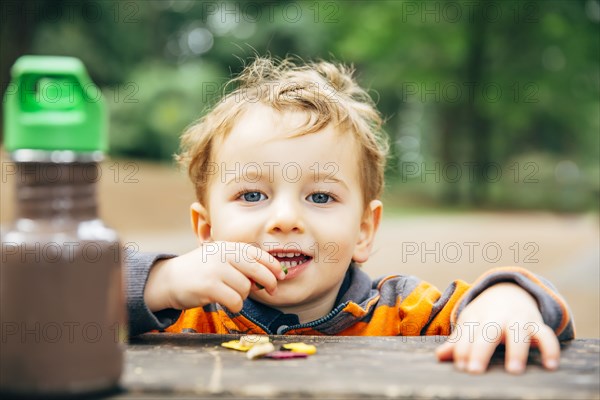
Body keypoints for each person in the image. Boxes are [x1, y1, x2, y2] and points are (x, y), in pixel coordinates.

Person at [126, 57, 574, 375]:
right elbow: (65, 305)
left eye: (320, 197)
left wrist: (506, 302)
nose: (285, 219)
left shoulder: (403, 313)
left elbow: (505, 300)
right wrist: (160, 281)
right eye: (252, 194)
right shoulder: (183, 311)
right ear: (206, 231)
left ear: (363, 231)